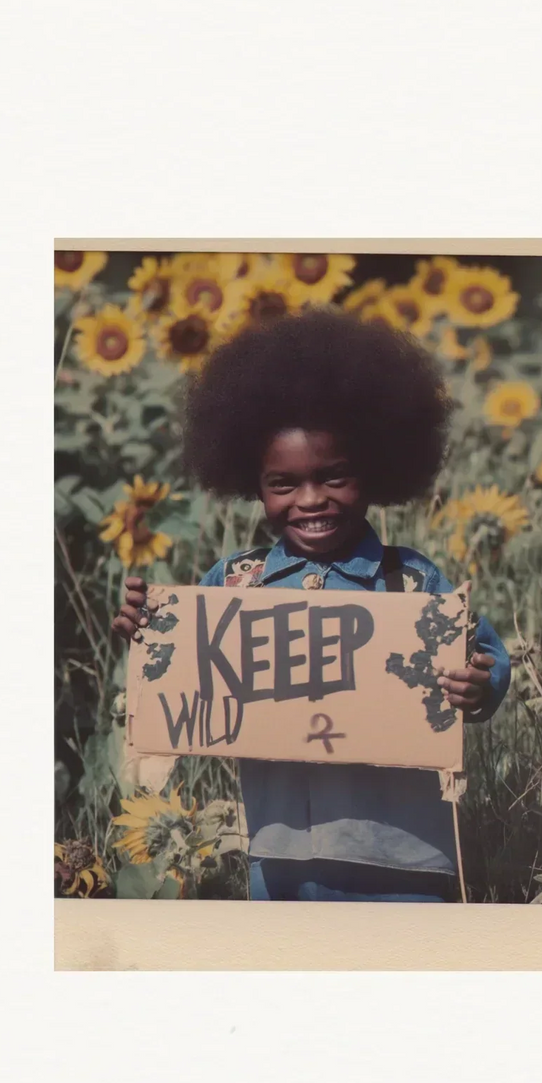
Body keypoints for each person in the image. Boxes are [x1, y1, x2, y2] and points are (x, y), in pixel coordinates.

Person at [111, 308, 511, 902]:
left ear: (374, 472)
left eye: (334, 477)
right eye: (284, 484)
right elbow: (186, 665)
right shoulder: (235, 583)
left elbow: (484, 660)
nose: (311, 500)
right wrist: (150, 629)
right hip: (280, 858)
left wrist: (477, 685)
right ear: (253, 485)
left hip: (405, 858)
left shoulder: (412, 582)